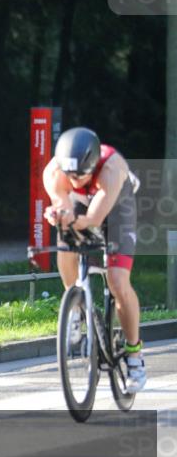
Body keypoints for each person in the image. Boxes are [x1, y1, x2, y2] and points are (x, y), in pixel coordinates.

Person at [42, 126, 145, 392]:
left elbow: (94, 219)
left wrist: (76, 220)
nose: (75, 180)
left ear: (92, 165)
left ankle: (134, 356)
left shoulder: (111, 169)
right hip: (81, 204)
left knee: (118, 281)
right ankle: (74, 305)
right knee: (65, 240)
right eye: (70, 175)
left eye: (80, 175)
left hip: (115, 205)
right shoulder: (54, 173)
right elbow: (65, 206)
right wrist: (59, 216)